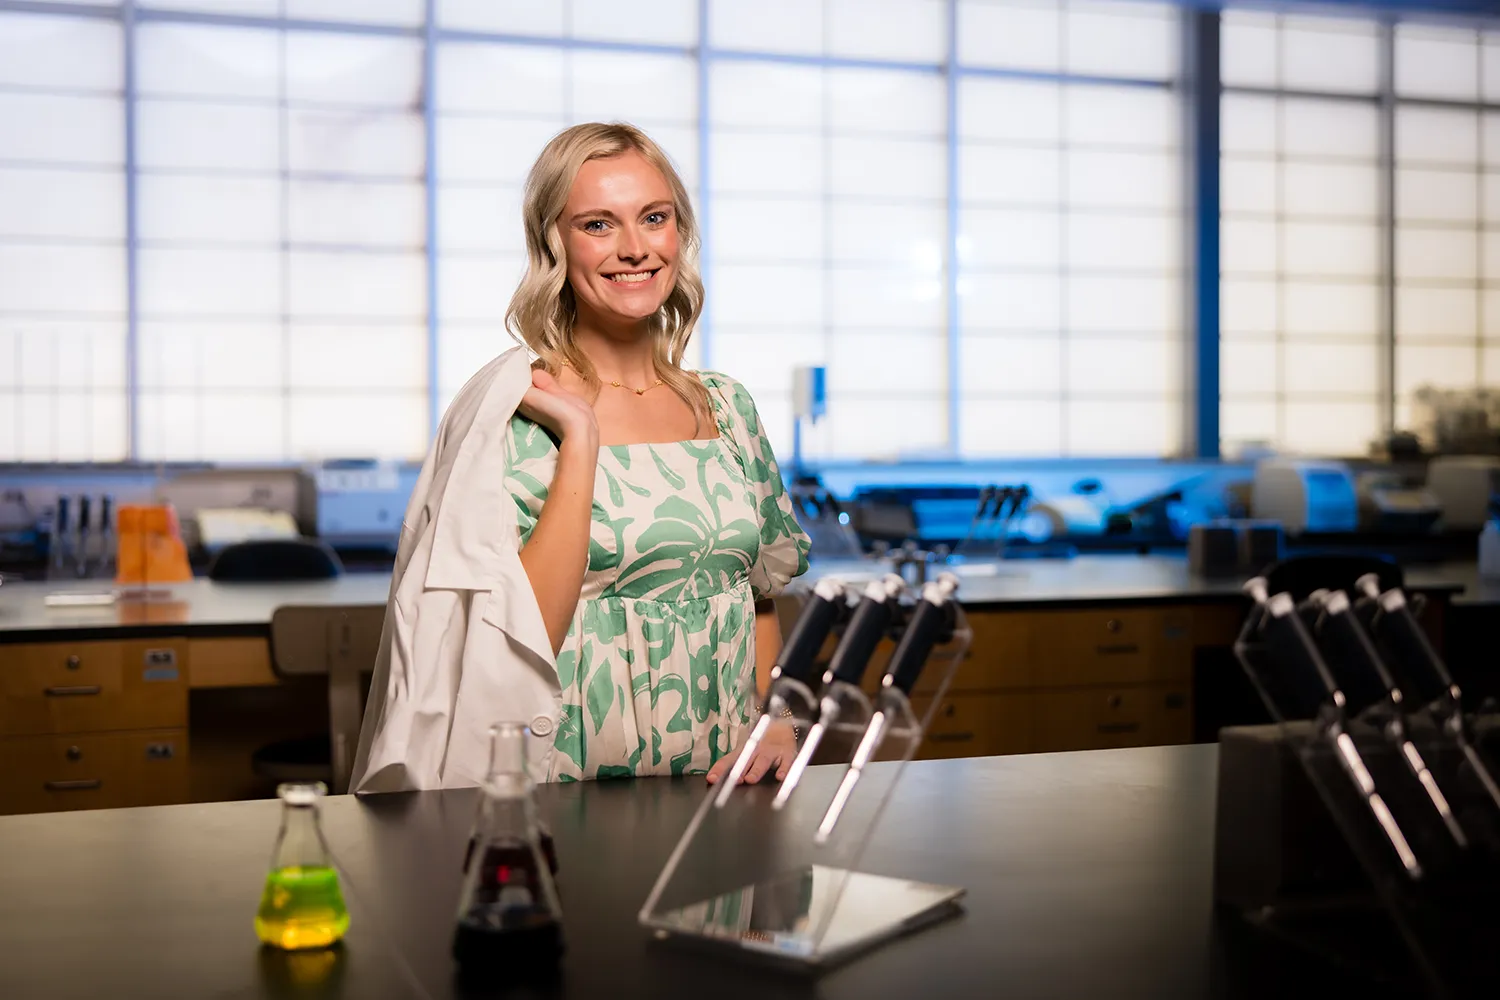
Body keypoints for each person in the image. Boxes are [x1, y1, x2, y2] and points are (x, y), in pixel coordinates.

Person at [349, 122, 811, 793]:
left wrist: (780, 715)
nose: (634, 249)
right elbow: (519, 632)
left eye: (654, 218)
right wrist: (581, 441)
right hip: (567, 781)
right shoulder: (515, 409)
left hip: (724, 785)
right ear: (554, 243)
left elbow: (755, 592)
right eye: (598, 224)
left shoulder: (728, 408)